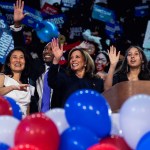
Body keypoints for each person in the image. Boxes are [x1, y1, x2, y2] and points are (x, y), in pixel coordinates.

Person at [47, 38, 104, 108]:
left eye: (77, 57)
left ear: (85, 62)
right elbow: (51, 82)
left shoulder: (95, 81)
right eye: (71, 58)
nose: (73, 60)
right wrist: (56, 59)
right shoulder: (64, 77)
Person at [0, 47, 34, 117]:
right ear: (9, 63)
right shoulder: (2, 77)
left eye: (21, 57)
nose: (18, 60)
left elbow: (27, 113)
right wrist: (13, 87)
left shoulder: (27, 86)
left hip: (21, 125)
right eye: (14, 57)